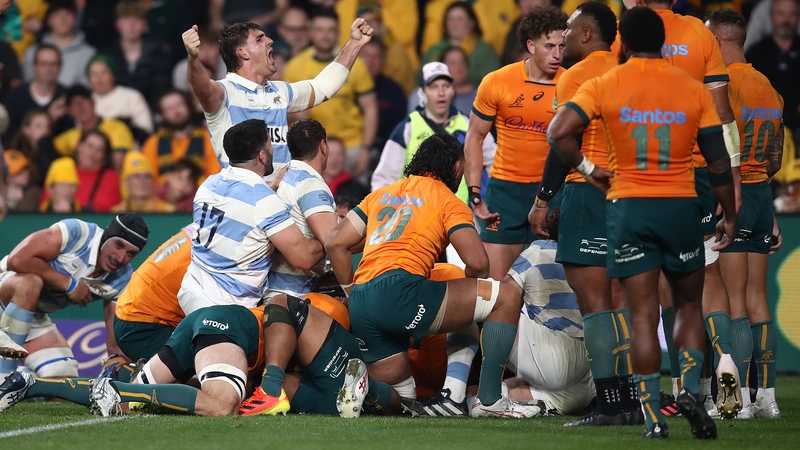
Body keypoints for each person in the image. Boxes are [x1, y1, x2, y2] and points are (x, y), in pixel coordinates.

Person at [546, 6, 737, 438]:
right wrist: (729, 213)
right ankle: (688, 390)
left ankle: (653, 419)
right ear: (663, 43)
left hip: (629, 207)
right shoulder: (692, 89)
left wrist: (588, 168)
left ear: (625, 42)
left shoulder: (606, 82)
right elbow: (718, 161)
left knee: (642, 315)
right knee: (688, 305)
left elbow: (557, 132)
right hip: (680, 206)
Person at [326, 133, 541, 418]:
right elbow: (479, 263)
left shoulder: (380, 194)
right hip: (401, 291)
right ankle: (487, 399)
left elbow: (335, 243)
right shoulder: (446, 199)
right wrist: (469, 288)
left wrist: (352, 292)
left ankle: (366, 385)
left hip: (363, 303)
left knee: (404, 399)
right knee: (506, 296)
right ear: (456, 168)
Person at [618, 0, 744, 411]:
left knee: (658, 288)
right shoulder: (699, 33)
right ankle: (723, 360)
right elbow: (723, 114)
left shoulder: (626, 31)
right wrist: (734, 179)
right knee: (708, 276)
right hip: (697, 174)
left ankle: (679, 389)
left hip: (642, 176)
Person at [528, 1, 642, 427]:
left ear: (588, 34)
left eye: (570, 31)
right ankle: (632, 400)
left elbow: (563, 143)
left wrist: (543, 200)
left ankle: (609, 405)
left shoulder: (575, 75)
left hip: (589, 192)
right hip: (634, 193)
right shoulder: (631, 69)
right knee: (623, 303)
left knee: (595, 306)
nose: (565, 38)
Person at [707, 9, 785, 419]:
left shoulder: (722, 86)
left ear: (718, 41)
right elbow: (775, 160)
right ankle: (767, 398)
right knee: (758, 299)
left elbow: (717, 146)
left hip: (732, 196)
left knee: (732, 301)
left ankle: (736, 401)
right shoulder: (769, 88)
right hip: (760, 195)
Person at [181, 13, 374, 177]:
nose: (270, 41)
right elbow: (202, 88)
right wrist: (193, 57)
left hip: (282, 195)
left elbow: (323, 88)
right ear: (243, 53)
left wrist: (354, 44)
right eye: (259, 39)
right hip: (244, 197)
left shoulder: (280, 91)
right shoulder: (225, 92)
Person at [178, 119, 326, 315]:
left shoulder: (209, 184)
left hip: (190, 291)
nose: (273, 150)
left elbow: (240, 210)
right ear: (262, 156)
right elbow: (304, 257)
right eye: (270, 144)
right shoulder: (263, 201)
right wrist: (331, 237)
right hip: (224, 307)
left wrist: (269, 189)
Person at [465, 5, 567, 280]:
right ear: (531, 46)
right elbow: (475, 137)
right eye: (549, 46)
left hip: (553, 193)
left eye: (562, 46)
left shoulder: (572, 84)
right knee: (495, 286)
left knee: (551, 288)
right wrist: (474, 192)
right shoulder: (497, 82)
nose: (557, 54)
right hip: (505, 193)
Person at [0, 213, 148, 380]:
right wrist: (69, 284)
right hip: (4, 295)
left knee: (63, 375)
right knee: (29, 283)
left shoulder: (122, 279)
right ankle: (4, 373)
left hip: (30, 317)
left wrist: (116, 380)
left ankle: (22, 378)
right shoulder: (78, 233)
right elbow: (17, 259)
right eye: (118, 245)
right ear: (107, 236)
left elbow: (114, 344)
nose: (121, 257)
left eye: (130, 253)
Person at [372, 61, 496, 203]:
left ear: (453, 90)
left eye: (446, 86)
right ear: (422, 93)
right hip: (417, 213)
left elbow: (494, 162)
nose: (441, 93)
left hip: (461, 212)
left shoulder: (469, 125)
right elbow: (384, 178)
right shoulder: (407, 128)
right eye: (433, 87)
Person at [284, 9, 378, 179]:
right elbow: (284, 110)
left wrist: (366, 148)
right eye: (320, 30)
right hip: (311, 147)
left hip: (351, 146)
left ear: (338, 33)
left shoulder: (357, 65)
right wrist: (297, 113)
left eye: (330, 30)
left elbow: (370, 107)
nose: (325, 35)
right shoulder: (295, 67)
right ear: (311, 32)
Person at [264, 119, 337, 300]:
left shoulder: (280, 179)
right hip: (297, 298)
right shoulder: (311, 184)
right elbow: (334, 243)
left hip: (271, 291)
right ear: (323, 146)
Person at [745, 0, 800, 147]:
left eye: (792, 14)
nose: (786, 20)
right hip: (763, 127)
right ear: (771, 16)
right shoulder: (755, 53)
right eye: (781, 14)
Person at [102, 1, 172, 110]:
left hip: (153, 110)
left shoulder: (159, 51)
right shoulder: (108, 54)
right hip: (116, 109)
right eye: (126, 19)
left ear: (145, 24)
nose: (132, 25)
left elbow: (162, 89)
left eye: (137, 19)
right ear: (118, 24)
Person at [141, 90, 221, 183]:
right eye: (170, 109)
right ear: (163, 115)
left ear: (188, 106)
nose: (177, 111)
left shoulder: (209, 138)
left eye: (179, 105)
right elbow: (150, 181)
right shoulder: (152, 143)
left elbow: (215, 177)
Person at [421, 1, 500, 87]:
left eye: (460, 19)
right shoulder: (433, 51)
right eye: (450, 19)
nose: (454, 24)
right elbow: (421, 80)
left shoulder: (484, 51)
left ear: (472, 22)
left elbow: (493, 83)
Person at [2, 44, 66, 146]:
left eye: (53, 64)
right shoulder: (15, 97)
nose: (48, 68)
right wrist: (49, 118)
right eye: (44, 64)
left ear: (60, 67)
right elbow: (8, 139)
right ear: (34, 66)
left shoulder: (67, 98)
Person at [21, 0, 95, 88]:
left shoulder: (89, 54)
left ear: (76, 19)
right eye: (57, 14)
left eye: (68, 14)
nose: (63, 19)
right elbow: (28, 87)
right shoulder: (32, 53)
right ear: (48, 20)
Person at [51, 85, 135, 160]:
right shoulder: (71, 136)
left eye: (84, 101)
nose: (80, 107)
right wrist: (51, 117)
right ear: (69, 110)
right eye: (74, 104)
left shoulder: (116, 127)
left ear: (93, 102)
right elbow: (45, 149)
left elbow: (118, 162)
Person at [87, 55, 154, 137]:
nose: (99, 78)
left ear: (113, 75)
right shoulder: (85, 102)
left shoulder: (132, 96)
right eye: (94, 74)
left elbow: (146, 129)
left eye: (104, 72)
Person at [359, 39, 407, 151]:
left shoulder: (394, 90)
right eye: (367, 55)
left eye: (376, 57)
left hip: (384, 149)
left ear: (383, 61)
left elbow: (398, 128)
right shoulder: (345, 86)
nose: (371, 61)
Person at [70, 130, 122, 212]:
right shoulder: (65, 170)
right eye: (90, 146)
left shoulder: (111, 178)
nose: (93, 152)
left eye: (99, 149)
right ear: (79, 146)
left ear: (104, 155)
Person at [111, 151, 176, 213]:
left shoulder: (170, 212)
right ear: (126, 182)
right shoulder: (115, 214)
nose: (143, 180)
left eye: (147, 176)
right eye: (137, 176)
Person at [8, 109, 51, 186]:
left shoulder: (52, 151)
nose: (45, 130)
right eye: (38, 126)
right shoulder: (15, 151)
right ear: (26, 129)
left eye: (48, 126)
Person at [502, 0, 550, 66]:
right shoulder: (516, 28)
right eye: (524, 0)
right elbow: (507, 61)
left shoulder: (560, 29)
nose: (530, 4)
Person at [321, 136, 369, 200]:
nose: (334, 159)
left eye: (339, 154)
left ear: (345, 158)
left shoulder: (356, 189)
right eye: (329, 154)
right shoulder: (311, 185)